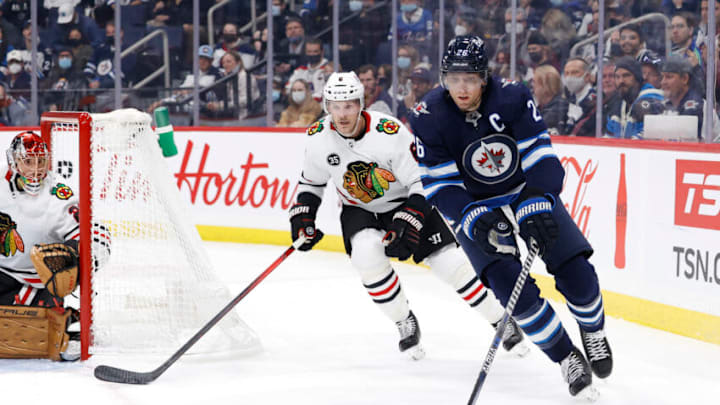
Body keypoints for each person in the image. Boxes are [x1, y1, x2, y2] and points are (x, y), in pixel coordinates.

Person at [409, 36, 613, 399]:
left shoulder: (514, 97)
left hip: (524, 192)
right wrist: (472, 217)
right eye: (453, 79)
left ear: (484, 77)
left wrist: (535, 201)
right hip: (475, 207)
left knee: (576, 271)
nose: (461, 88)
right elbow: (439, 184)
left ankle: (593, 331)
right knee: (512, 294)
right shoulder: (428, 115)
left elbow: (542, 158)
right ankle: (568, 357)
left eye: (469, 78)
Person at [289, 71, 527, 361]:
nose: (342, 114)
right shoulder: (318, 137)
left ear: (360, 104)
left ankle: (500, 319)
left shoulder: (390, 133)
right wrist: (302, 216)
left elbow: (422, 182)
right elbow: (311, 183)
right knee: (366, 256)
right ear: (327, 106)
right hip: (359, 208)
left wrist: (409, 218)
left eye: (349, 105)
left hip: (407, 201)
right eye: (335, 106)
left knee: (450, 266)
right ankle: (404, 320)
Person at [0, 132, 107, 361]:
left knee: (28, 325)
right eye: (28, 161)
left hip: (37, 281)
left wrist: (74, 256)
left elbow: (97, 235)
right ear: (14, 161)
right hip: (3, 271)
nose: (36, 169)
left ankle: (64, 316)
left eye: (41, 161)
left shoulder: (58, 193)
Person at [606, 56, 664, 138]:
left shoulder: (651, 99)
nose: (621, 81)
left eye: (626, 76)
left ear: (637, 78)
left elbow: (649, 137)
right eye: (617, 77)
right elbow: (608, 137)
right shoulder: (617, 104)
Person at [660, 54, 705, 138]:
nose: (663, 82)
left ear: (684, 79)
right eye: (662, 77)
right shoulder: (666, 103)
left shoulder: (697, 104)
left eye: (669, 77)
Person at [563, 57, 597, 137]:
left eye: (575, 72)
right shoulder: (570, 98)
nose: (570, 77)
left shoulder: (594, 100)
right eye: (567, 73)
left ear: (587, 76)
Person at [532, 64, 568, 135]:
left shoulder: (557, 109)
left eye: (534, 82)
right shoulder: (543, 107)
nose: (532, 86)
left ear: (544, 85)